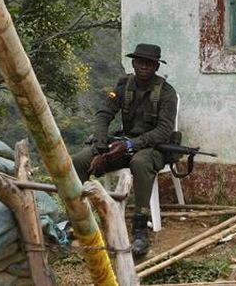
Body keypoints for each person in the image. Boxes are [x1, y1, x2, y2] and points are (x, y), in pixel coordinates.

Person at [72, 43, 177, 257]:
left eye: (149, 63)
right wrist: (101, 146)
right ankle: (80, 221)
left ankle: (140, 227)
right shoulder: (123, 86)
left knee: (140, 162)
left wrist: (130, 145)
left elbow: (164, 131)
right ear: (133, 63)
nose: (144, 67)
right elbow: (104, 114)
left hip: (151, 147)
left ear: (156, 66)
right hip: (122, 144)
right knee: (79, 161)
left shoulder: (166, 93)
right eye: (140, 62)